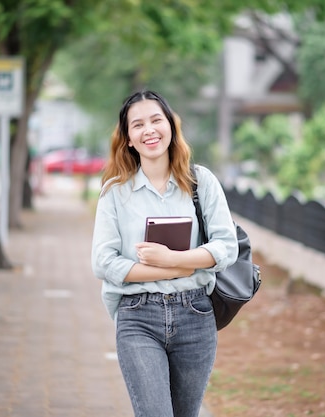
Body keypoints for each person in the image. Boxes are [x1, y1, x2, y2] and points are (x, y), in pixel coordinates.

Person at [91, 90, 239, 417]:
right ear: (128, 138)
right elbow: (103, 262)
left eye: (156, 120)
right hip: (137, 316)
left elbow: (226, 247)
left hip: (196, 315)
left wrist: (172, 259)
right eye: (138, 124)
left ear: (171, 126)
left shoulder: (202, 182)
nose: (149, 130)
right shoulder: (115, 191)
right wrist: (177, 268)